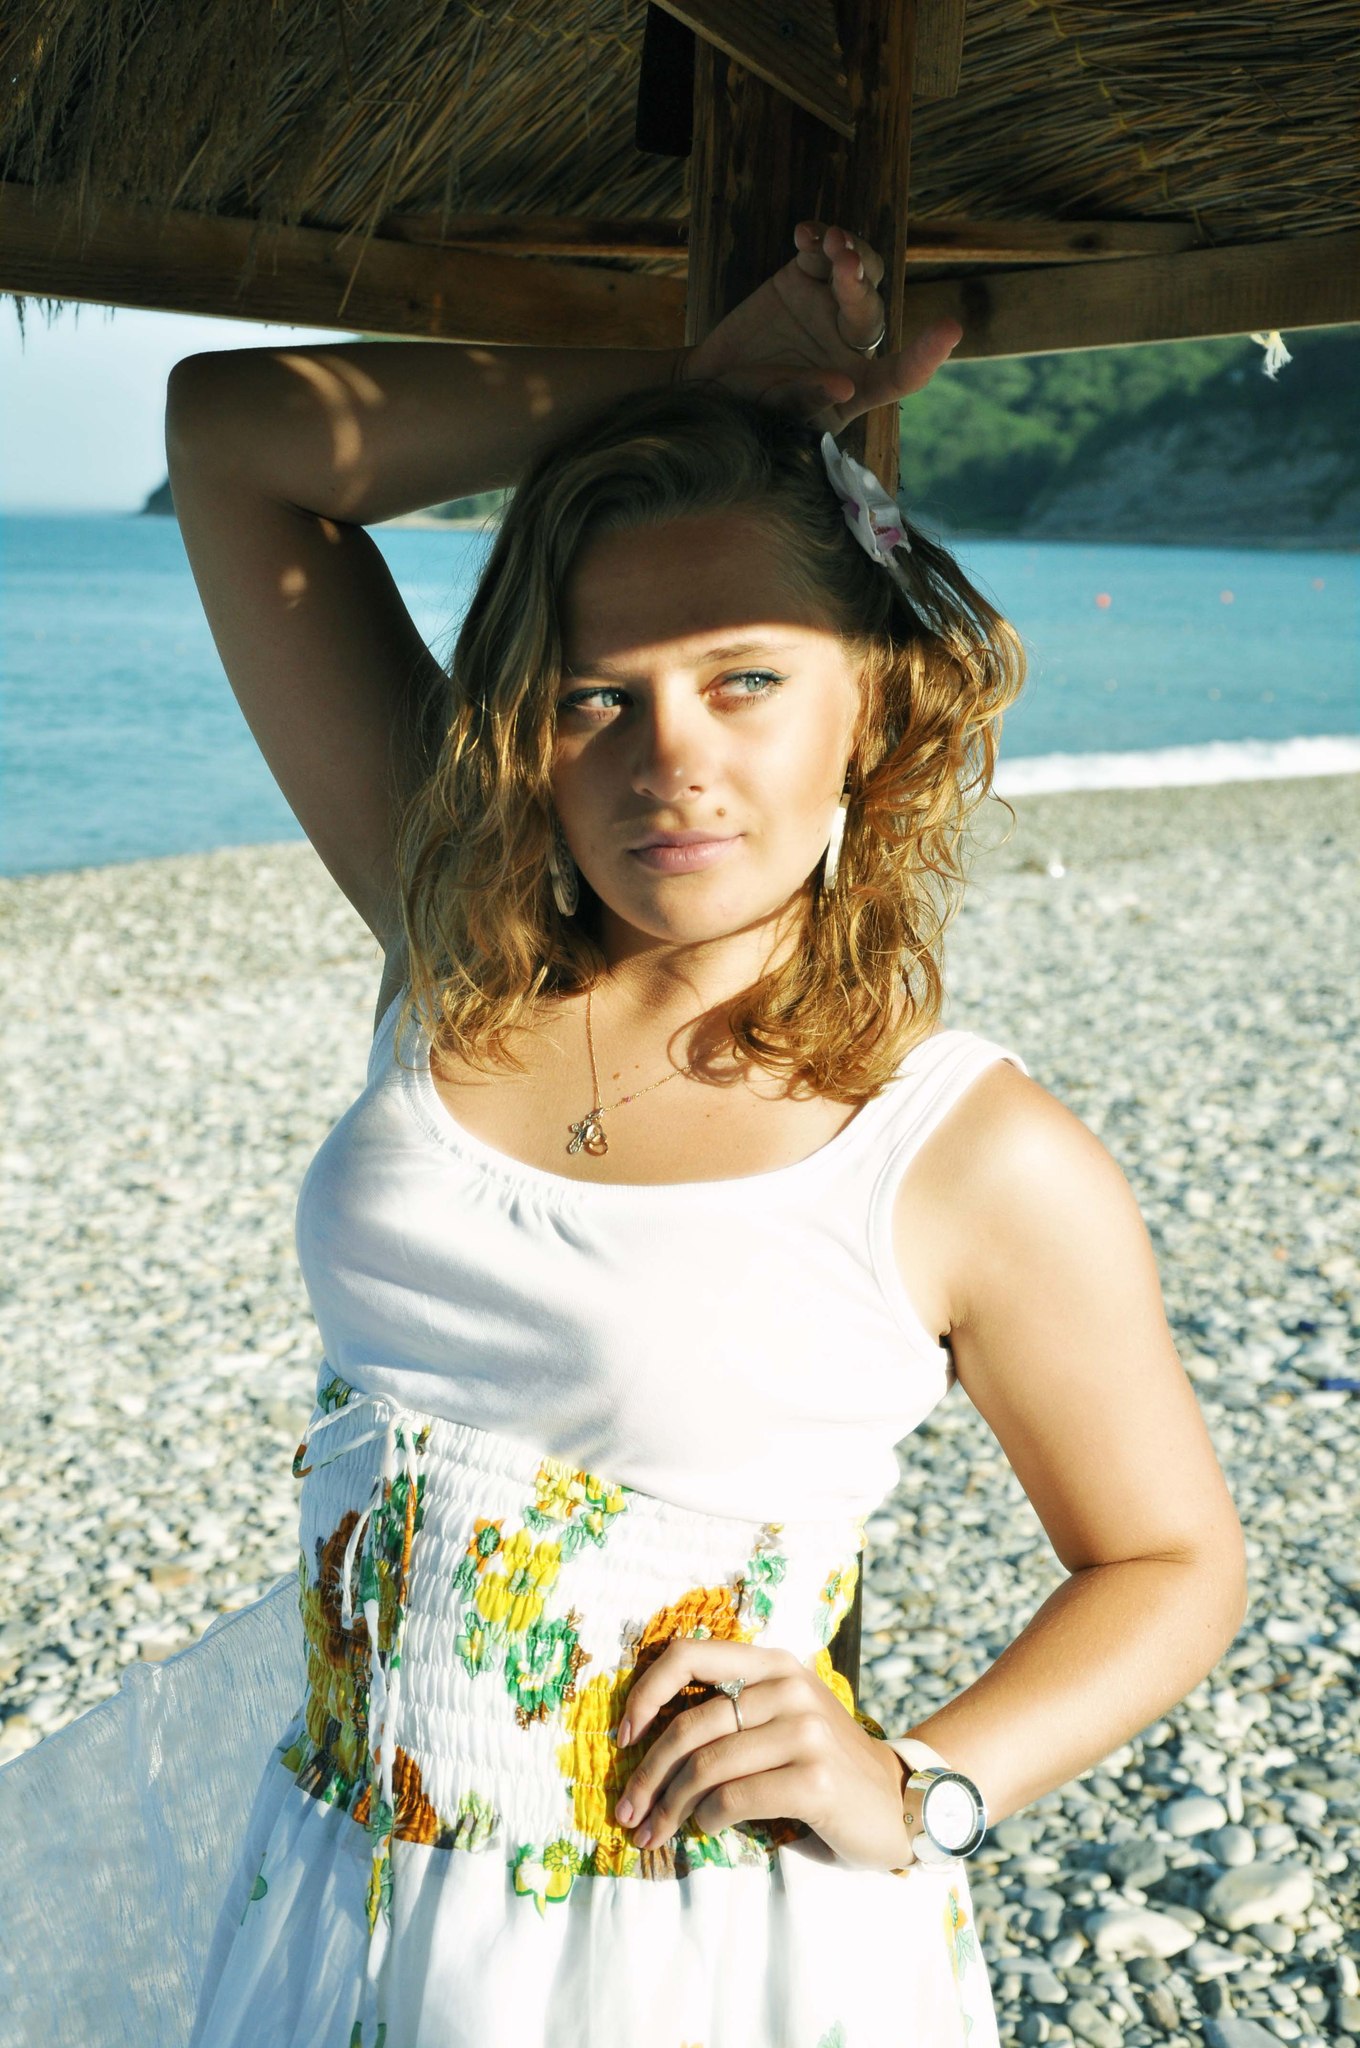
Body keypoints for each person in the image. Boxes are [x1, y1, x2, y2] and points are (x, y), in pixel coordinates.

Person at [7, 222, 1246, 2048]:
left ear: (870, 707)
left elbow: (1172, 1562)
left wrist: (924, 1786)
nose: (672, 759)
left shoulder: (956, 1150)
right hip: (337, 1907)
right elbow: (234, 437)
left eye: (744, 677)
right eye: (600, 695)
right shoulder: (456, 948)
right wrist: (693, 389)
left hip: (694, 1959)